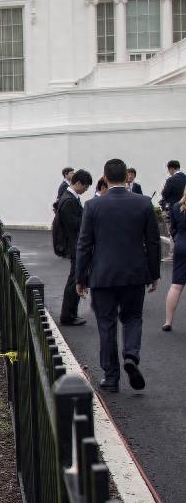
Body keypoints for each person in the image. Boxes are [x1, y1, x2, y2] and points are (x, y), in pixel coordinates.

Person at [75, 157, 161, 392]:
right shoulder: (143, 203)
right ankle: (131, 356)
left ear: (104, 177)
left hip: (103, 275)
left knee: (106, 324)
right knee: (133, 318)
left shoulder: (93, 206)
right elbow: (153, 242)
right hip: (134, 273)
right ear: (126, 178)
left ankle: (111, 377)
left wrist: (80, 278)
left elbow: (84, 244)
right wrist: (154, 274)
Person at [56, 168, 92, 326]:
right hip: (74, 244)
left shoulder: (70, 197)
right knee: (74, 280)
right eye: (85, 186)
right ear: (77, 183)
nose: (86, 190)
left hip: (73, 243)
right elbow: (74, 224)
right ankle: (68, 315)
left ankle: (71, 313)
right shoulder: (69, 200)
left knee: (75, 278)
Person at [163, 188, 186, 331]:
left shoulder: (177, 207)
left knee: (176, 286)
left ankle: (168, 321)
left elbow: (172, 229)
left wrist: (178, 239)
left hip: (181, 245)